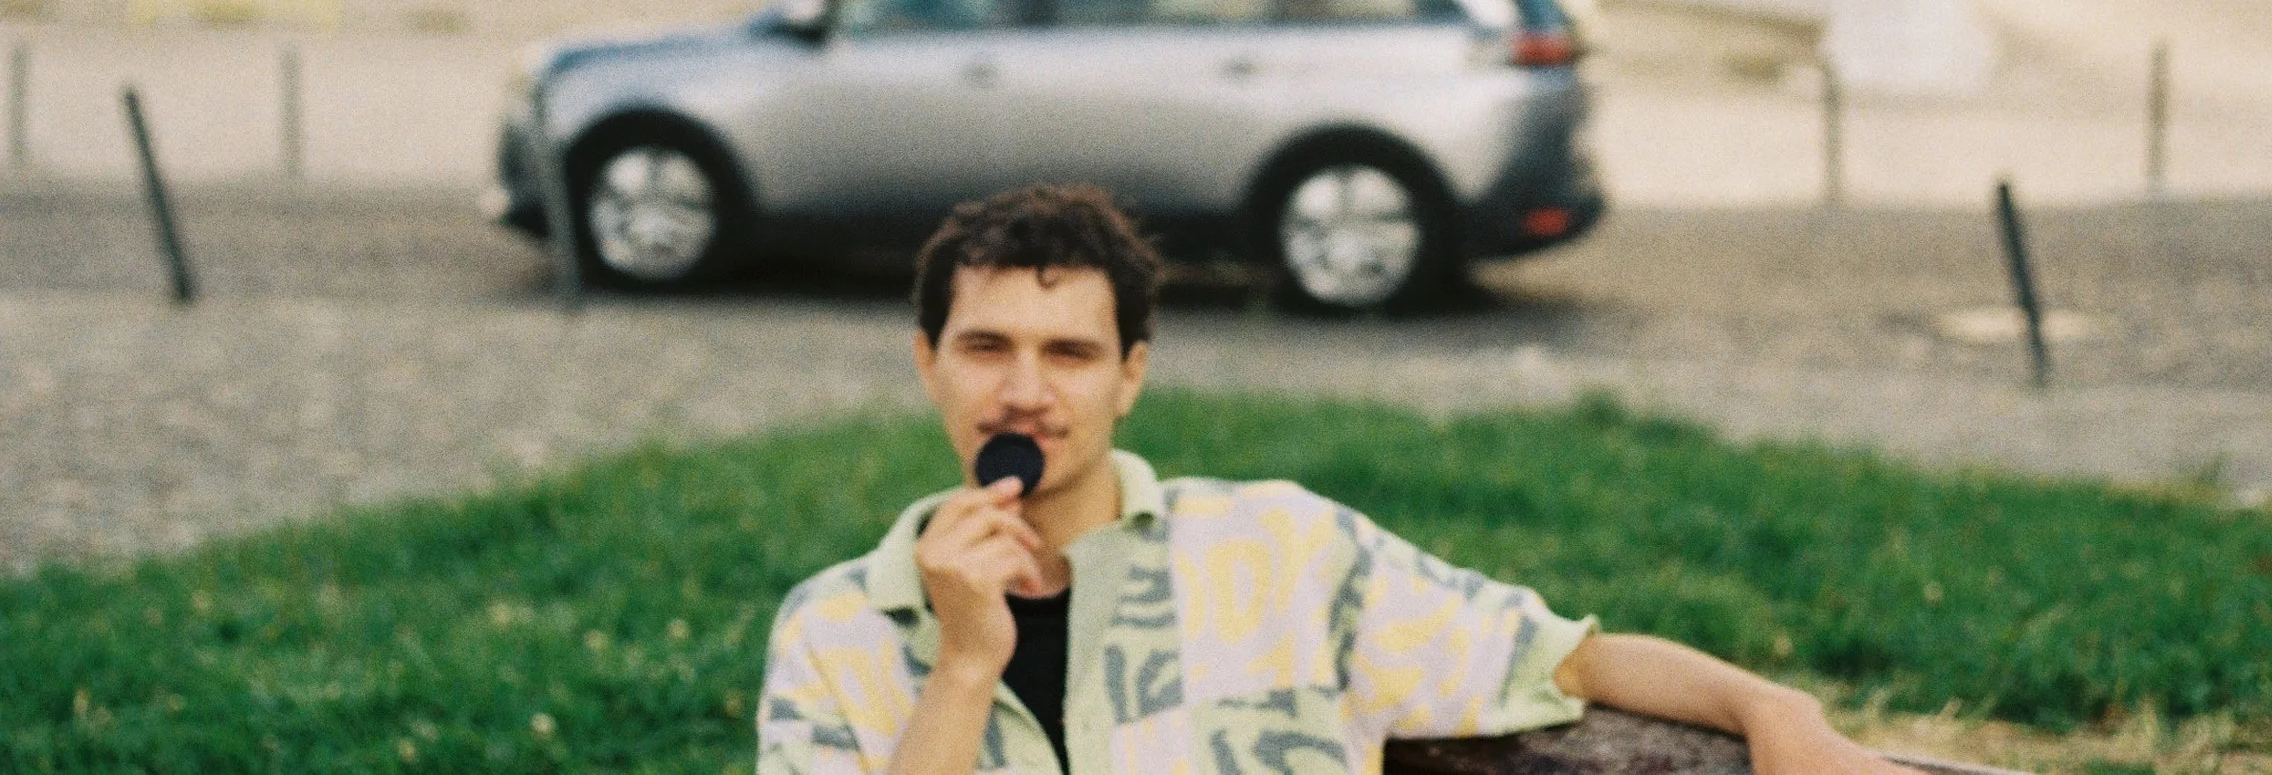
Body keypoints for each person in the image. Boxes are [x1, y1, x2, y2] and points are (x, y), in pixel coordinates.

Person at [757, 186, 1902, 775]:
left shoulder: (1283, 555)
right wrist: (964, 666)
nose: (1024, 392)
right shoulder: (835, 629)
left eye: (1069, 353)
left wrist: (1772, 708)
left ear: (1130, 376)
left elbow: (1566, 658)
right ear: (928, 362)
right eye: (985, 347)